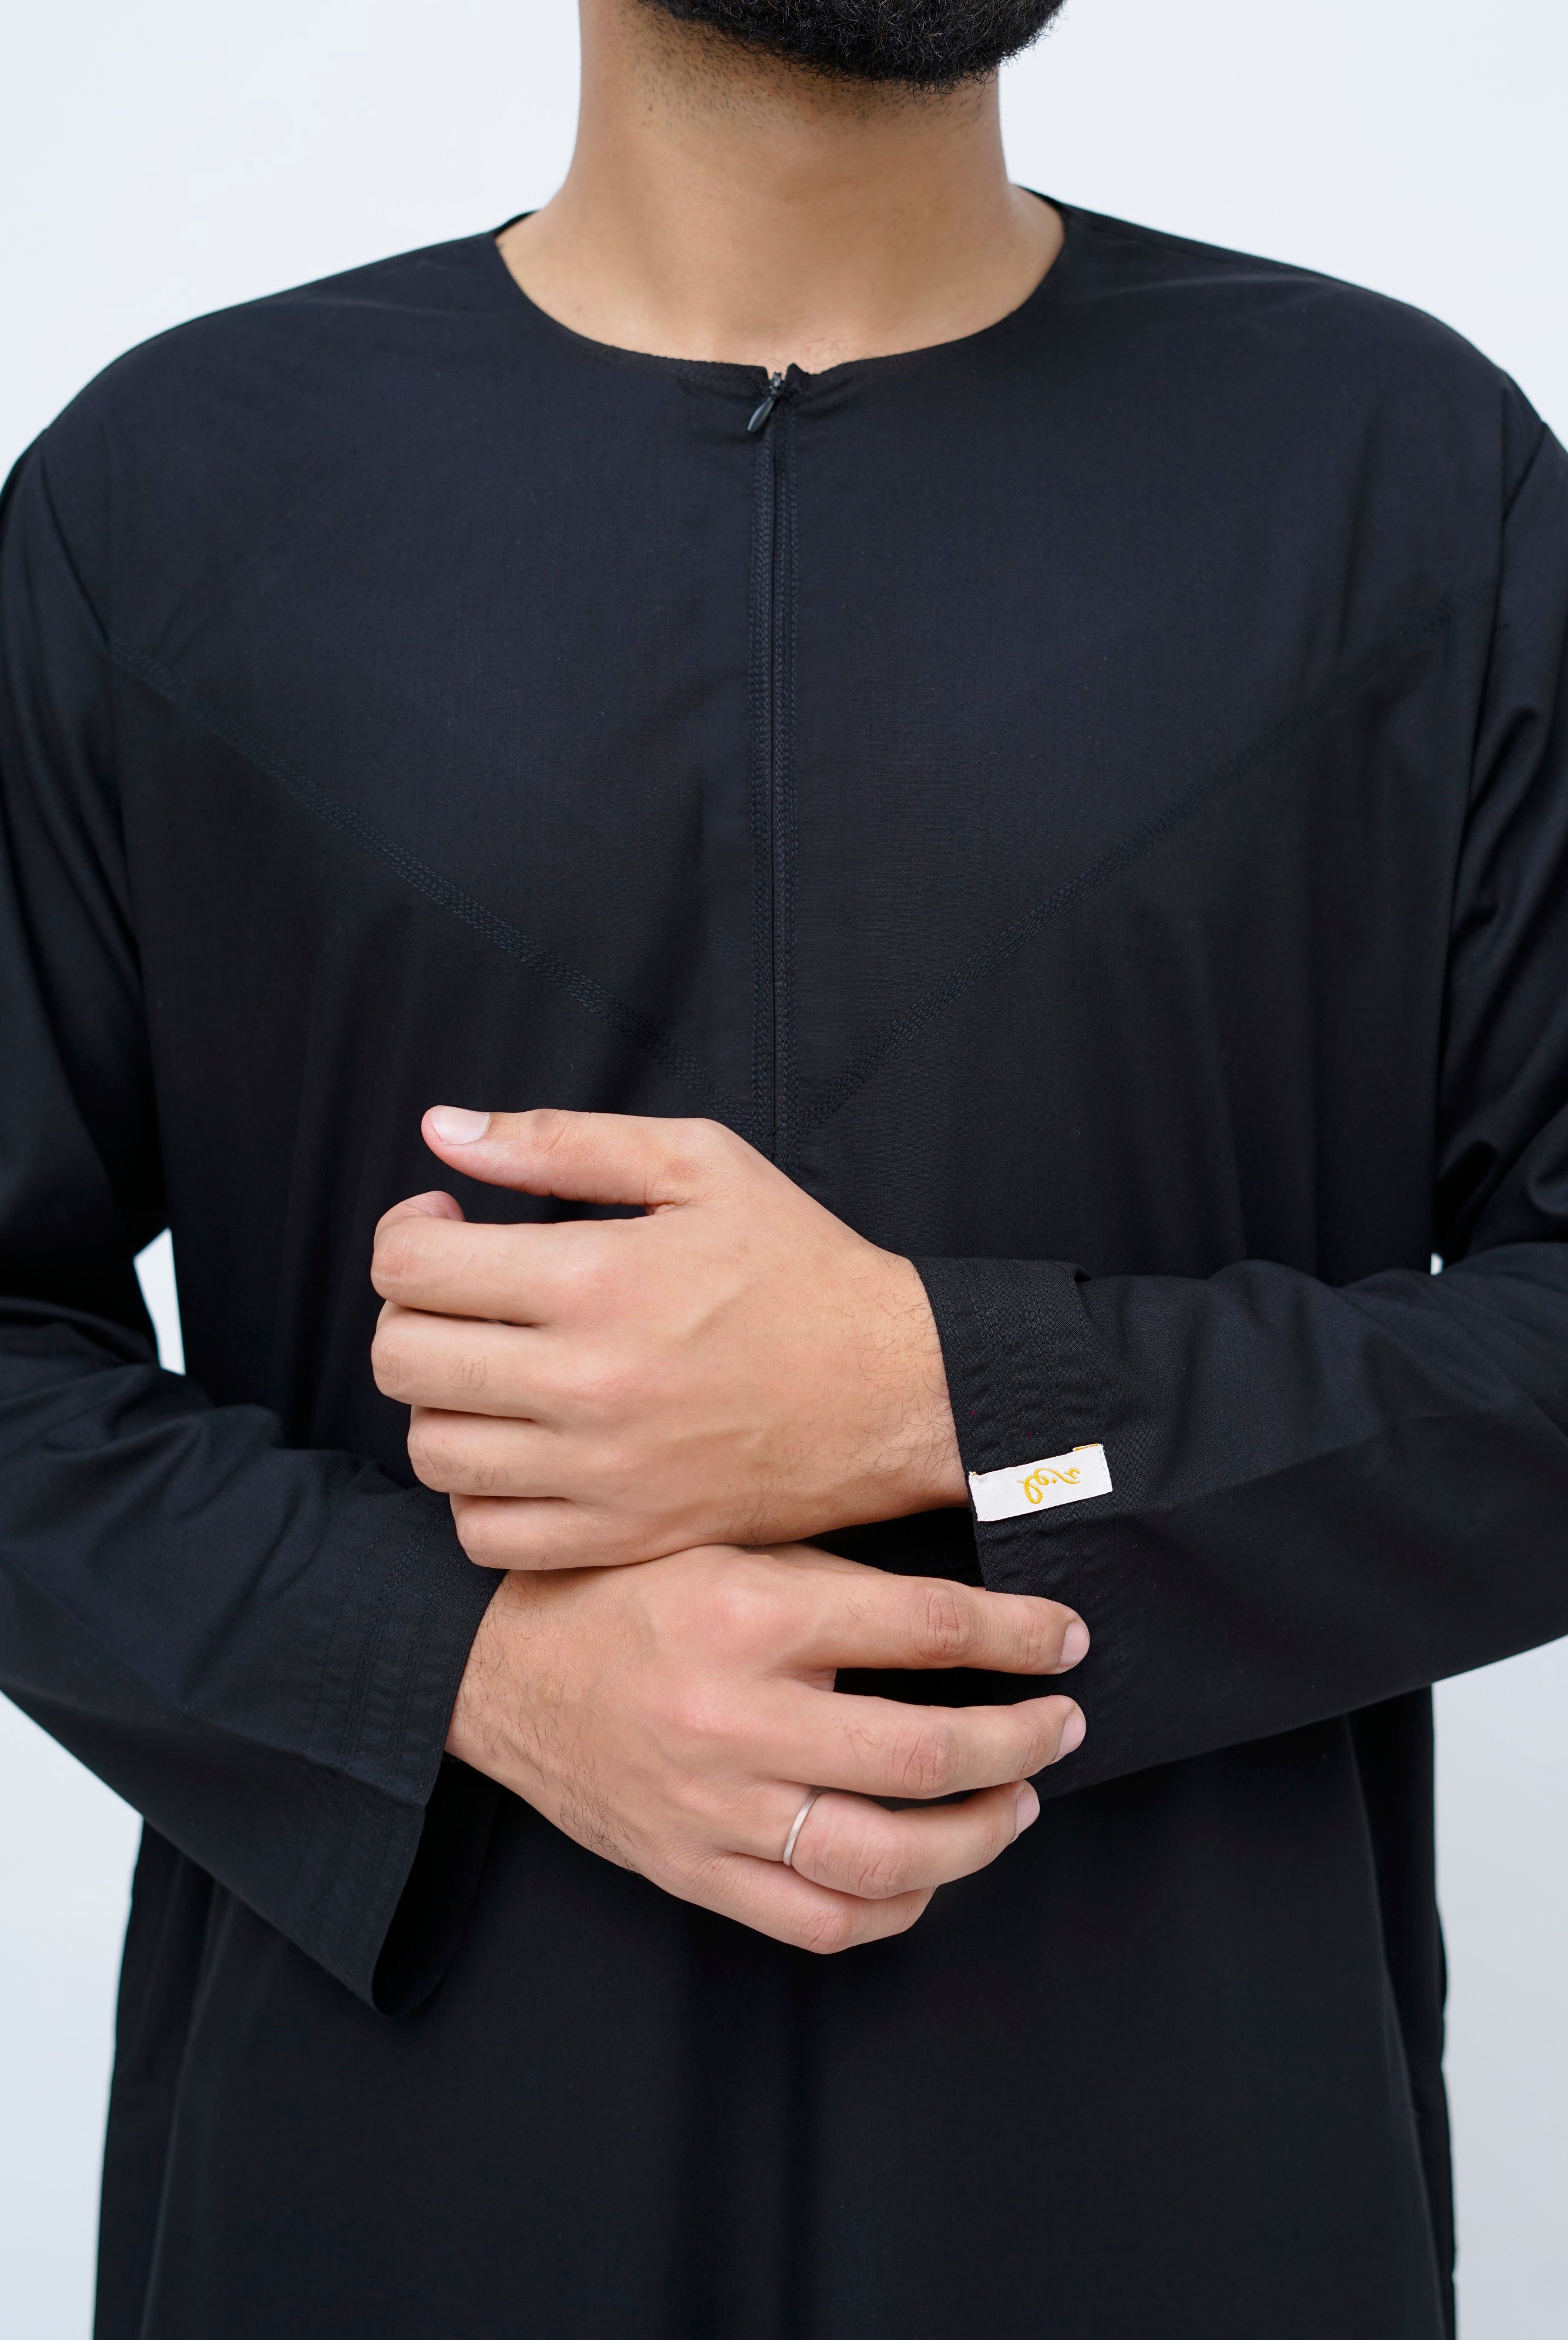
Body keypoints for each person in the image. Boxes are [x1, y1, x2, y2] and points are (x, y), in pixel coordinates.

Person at [2, 0, 1566, 2330]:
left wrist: (975, 1397)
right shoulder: (167, 503)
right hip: (390, 2212)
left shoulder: (1405, 484)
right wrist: (454, 1673)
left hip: (1179, 2208)